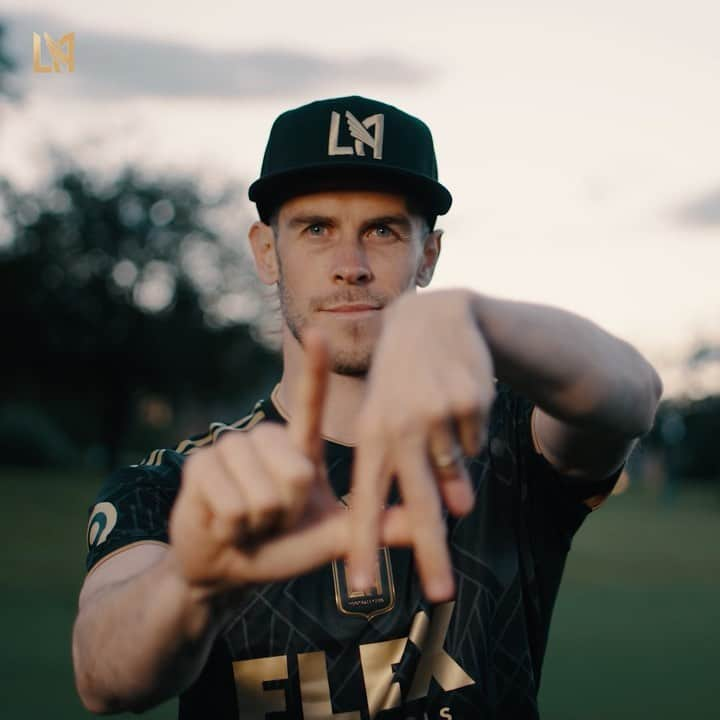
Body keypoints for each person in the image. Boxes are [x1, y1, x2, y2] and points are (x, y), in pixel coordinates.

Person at [72, 95, 662, 719]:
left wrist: (482, 319)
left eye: (382, 230)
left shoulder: (506, 440)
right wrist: (193, 581)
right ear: (267, 252)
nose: (350, 266)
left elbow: (630, 398)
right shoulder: (179, 487)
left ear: (428, 255)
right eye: (316, 228)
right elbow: (104, 678)